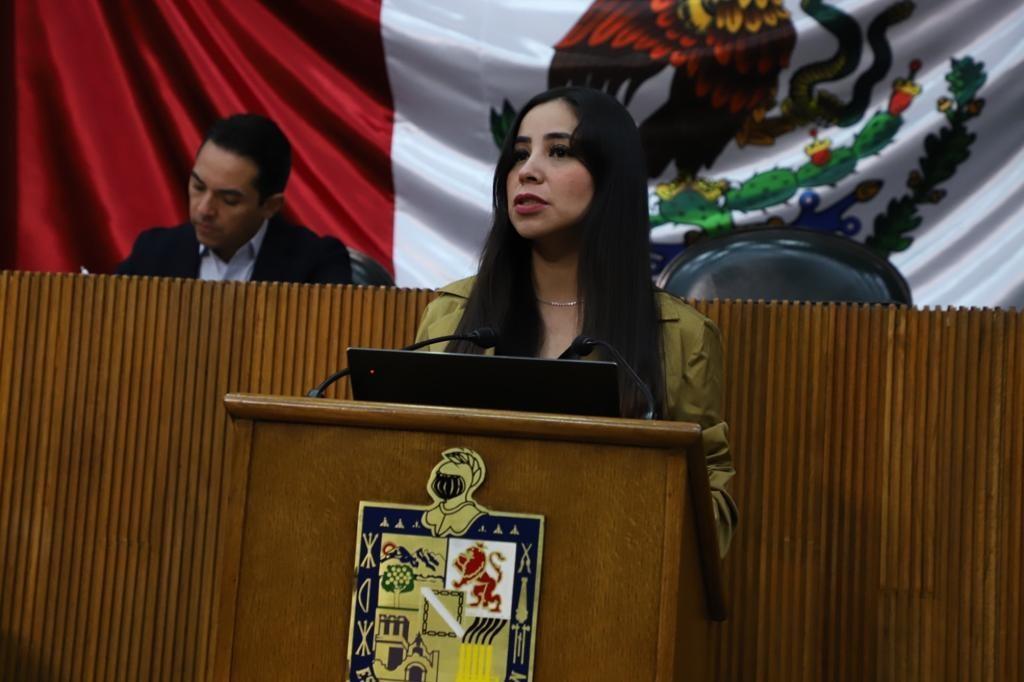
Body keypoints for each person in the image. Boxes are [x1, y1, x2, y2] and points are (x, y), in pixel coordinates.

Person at [414, 86, 737, 555]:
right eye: (519, 155)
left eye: (559, 151)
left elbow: (713, 507)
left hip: (606, 577)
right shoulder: (452, 314)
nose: (528, 171)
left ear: (612, 177)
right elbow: (408, 463)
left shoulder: (681, 337)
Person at [116, 113, 352, 284]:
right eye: (198, 187)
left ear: (271, 206)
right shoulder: (153, 254)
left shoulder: (315, 264)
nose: (205, 209)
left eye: (228, 200)